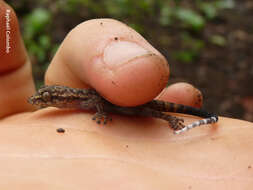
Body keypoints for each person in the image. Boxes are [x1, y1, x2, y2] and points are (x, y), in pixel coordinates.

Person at [0, 1, 252, 189]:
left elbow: (98, 101)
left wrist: (101, 113)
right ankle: (194, 118)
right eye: (44, 99)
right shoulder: (76, 102)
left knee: (144, 111)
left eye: (46, 100)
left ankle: (185, 118)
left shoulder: (85, 99)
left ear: (61, 100)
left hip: (133, 102)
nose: (41, 102)